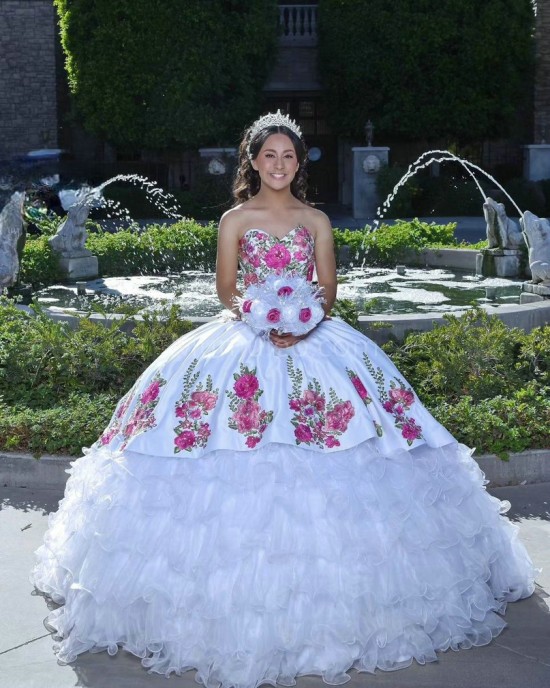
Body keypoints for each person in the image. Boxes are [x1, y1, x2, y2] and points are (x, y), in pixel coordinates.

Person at [31, 111, 535, 687]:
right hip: (243, 340)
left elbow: (328, 287)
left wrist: (306, 317)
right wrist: (260, 313)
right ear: (253, 160)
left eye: (288, 156)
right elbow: (225, 288)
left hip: (316, 339)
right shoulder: (234, 219)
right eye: (269, 155)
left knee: (361, 443)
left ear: (300, 162)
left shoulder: (316, 219)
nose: (278, 164)